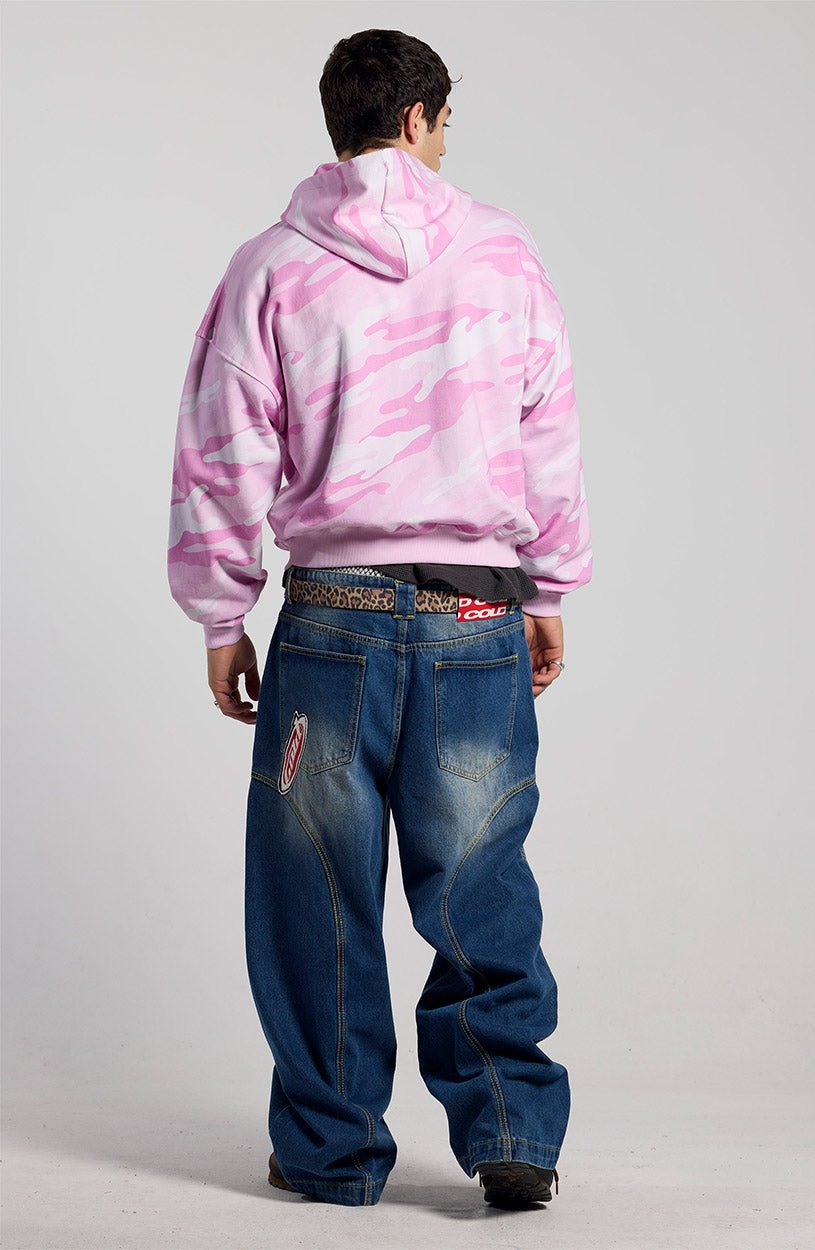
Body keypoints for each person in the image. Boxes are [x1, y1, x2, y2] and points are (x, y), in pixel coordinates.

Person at [166, 28, 592, 1210]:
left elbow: (219, 450)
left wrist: (220, 612)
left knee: (315, 891)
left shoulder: (268, 266)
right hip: (476, 610)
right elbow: (547, 431)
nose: (445, 143)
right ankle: (510, 1128)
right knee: (480, 876)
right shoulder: (503, 254)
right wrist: (549, 586)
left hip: (329, 628)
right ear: (416, 119)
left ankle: (329, 1147)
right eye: (444, 123)